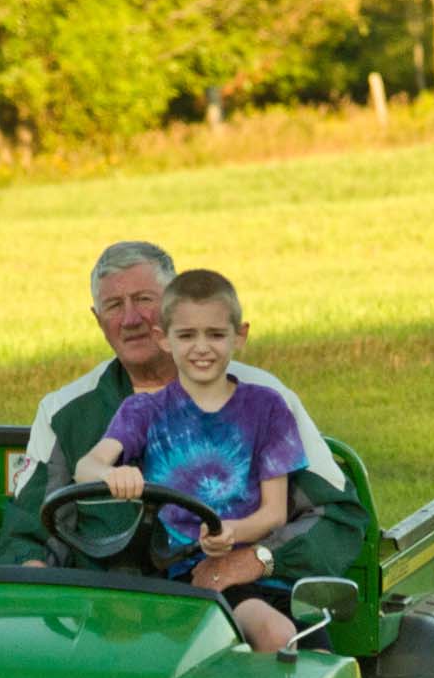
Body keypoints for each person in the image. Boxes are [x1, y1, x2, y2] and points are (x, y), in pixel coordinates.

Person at [0, 241, 364, 589]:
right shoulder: (65, 411)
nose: (130, 319)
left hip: (226, 604)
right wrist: (34, 581)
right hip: (101, 612)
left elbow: (337, 518)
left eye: (144, 300)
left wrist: (251, 561)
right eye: (114, 305)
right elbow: (27, 538)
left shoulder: (264, 400)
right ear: (97, 318)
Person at [76, 269, 303, 651]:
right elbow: (87, 466)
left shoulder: (267, 407)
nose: (202, 348)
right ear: (163, 338)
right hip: (184, 575)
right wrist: (112, 474)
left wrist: (232, 532)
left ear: (240, 335)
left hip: (256, 569)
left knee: (313, 649)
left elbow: (274, 513)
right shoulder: (144, 411)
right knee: (274, 634)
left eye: (215, 335)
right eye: (186, 336)